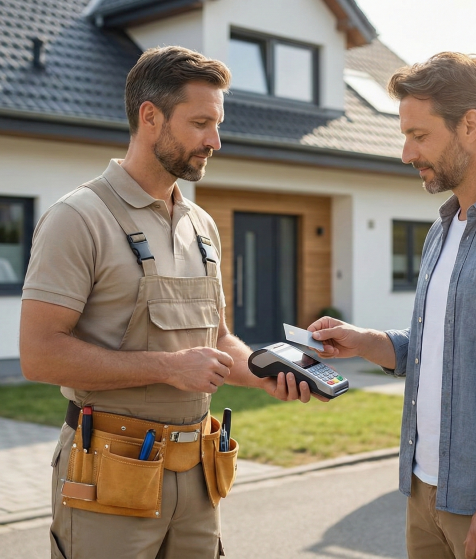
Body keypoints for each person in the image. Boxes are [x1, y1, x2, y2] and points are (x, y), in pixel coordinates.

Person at [19, 46, 318, 559]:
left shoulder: (200, 225)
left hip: (199, 475)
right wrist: (169, 368)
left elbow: (218, 339)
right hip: (110, 474)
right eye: (200, 122)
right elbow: (39, 354)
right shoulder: (79, 218)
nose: (214, 141)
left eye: (217, 124)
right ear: (150, 116)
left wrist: (268, 373)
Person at [309, 53, 476, 559]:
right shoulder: (441, 230)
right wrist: (363, 341)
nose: (405, 152)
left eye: (419, 135)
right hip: (424, 493)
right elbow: (437, 348)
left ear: (470, 126)